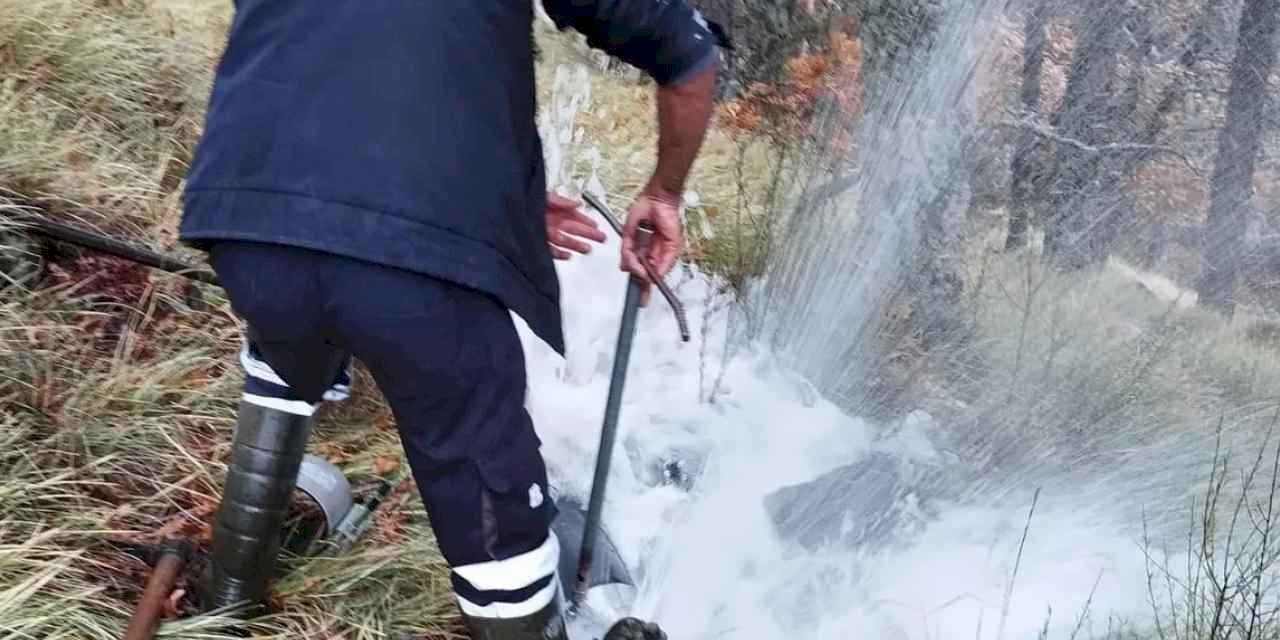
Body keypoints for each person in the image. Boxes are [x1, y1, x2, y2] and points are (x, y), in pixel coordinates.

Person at [177, 1, 721, 638]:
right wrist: (663, 193)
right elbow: (689, 60)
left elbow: (338, 50)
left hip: (245, 219)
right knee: (483, 478)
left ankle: (225, 602)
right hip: (415, 287)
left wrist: (482, 196)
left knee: (284, 341)